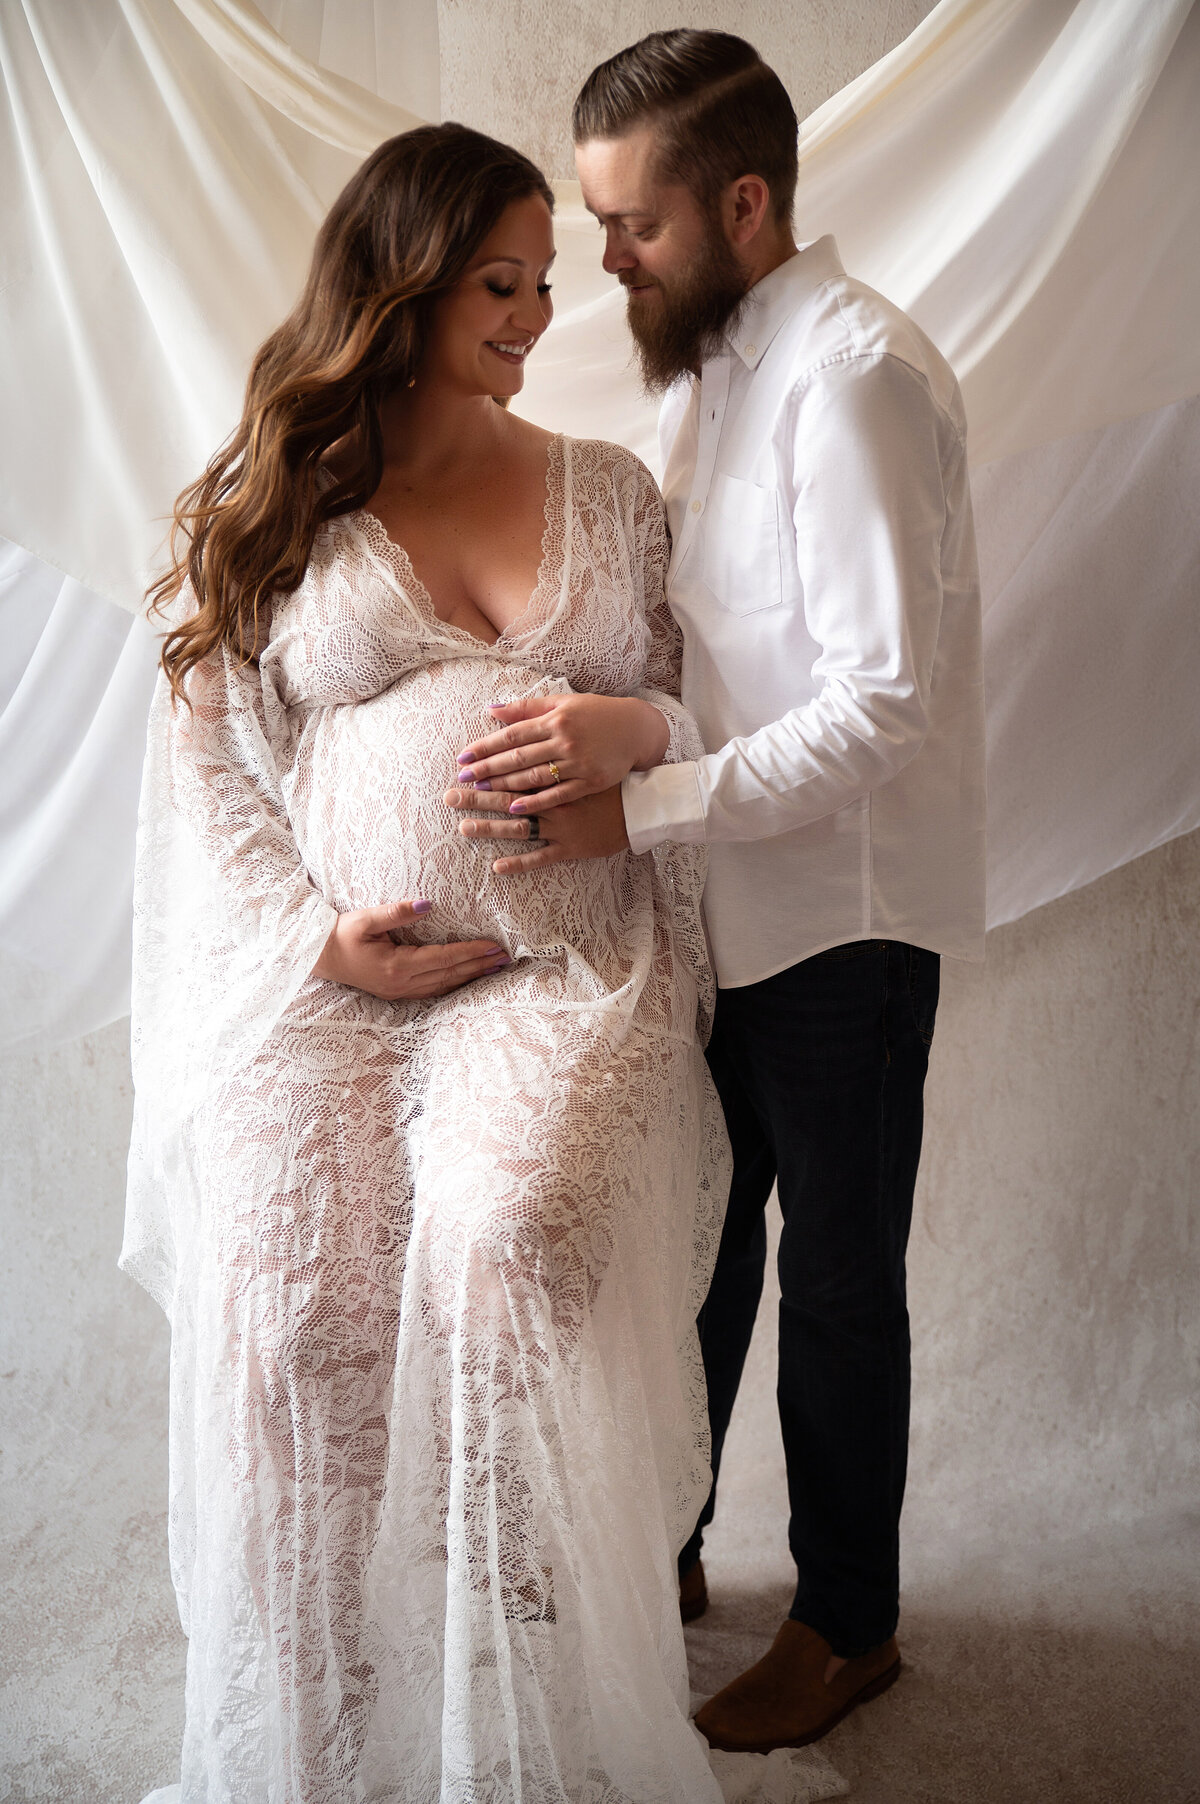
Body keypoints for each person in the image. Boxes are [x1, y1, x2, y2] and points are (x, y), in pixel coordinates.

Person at [122, 122, 732, 1804]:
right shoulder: (281, 493)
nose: (538, 314)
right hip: (321, 996)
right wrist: (321, 943)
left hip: (551, 974)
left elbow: (705, 715)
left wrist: (645, 723)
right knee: (293, 1308)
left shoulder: (608, 492)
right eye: (498, 282)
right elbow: (206, 767)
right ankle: (317, 1740)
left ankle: (528, 1713)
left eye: (546, 281)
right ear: (401, 283)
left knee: (510, 1242)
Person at [449, 30, 986, 1754]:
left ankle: (848, 1625)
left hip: (842, 919)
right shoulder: (715, 367)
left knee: (833, 1280)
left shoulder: (855, 379)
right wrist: (627, 730)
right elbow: (746, 666)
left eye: (631, 227)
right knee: (692, 1252)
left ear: (745, 203)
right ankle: (667, 1548)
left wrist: (646, 799)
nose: (601, 266)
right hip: (722, 911)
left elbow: (885, 703)